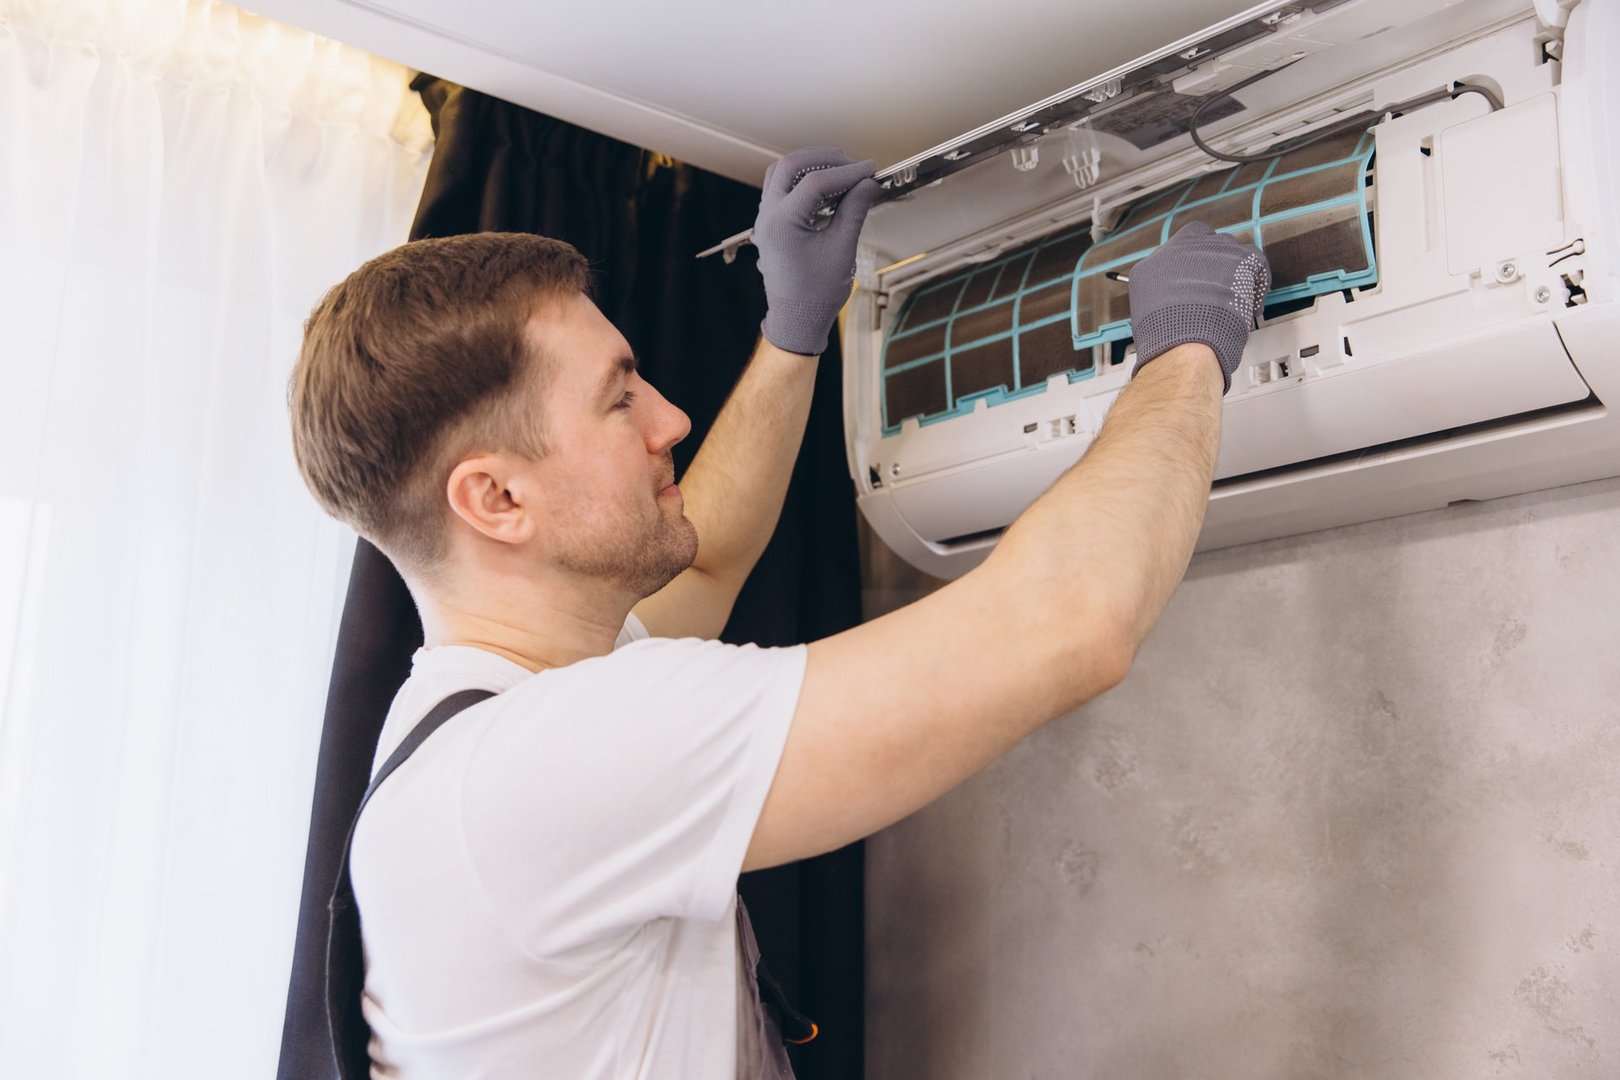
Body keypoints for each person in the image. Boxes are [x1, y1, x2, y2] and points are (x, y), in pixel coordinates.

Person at [287, 146, 1269, 1079]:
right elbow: (1069, 623)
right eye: (618, 401)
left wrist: (792, 331)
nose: (671, 419)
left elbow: (703, 566)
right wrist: (1182, 353)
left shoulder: (486, 730)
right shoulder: (550, 760)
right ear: (496, 501)